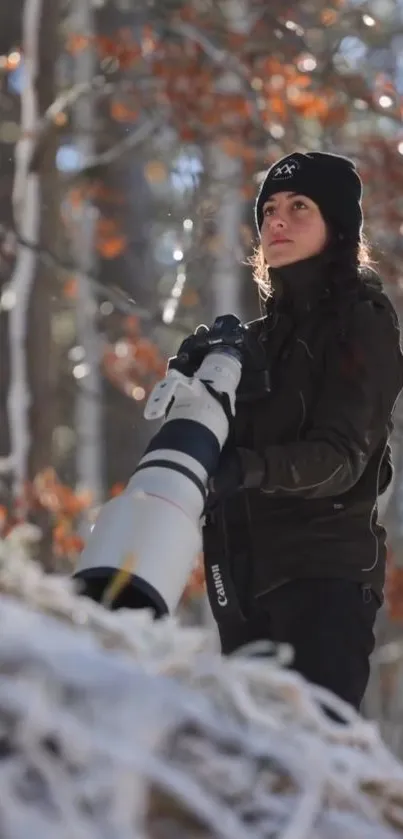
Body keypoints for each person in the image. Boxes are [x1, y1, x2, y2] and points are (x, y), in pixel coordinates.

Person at [199, 151, 403, 712]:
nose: (276, 222)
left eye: (298, 207)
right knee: (249, 785)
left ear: (336, 225)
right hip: (241, 590)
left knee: (310, 777)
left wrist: (248, 469)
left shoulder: (361, 321)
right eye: (267, 211)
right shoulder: (255, 341)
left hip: (320, 587)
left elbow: (341, 457)